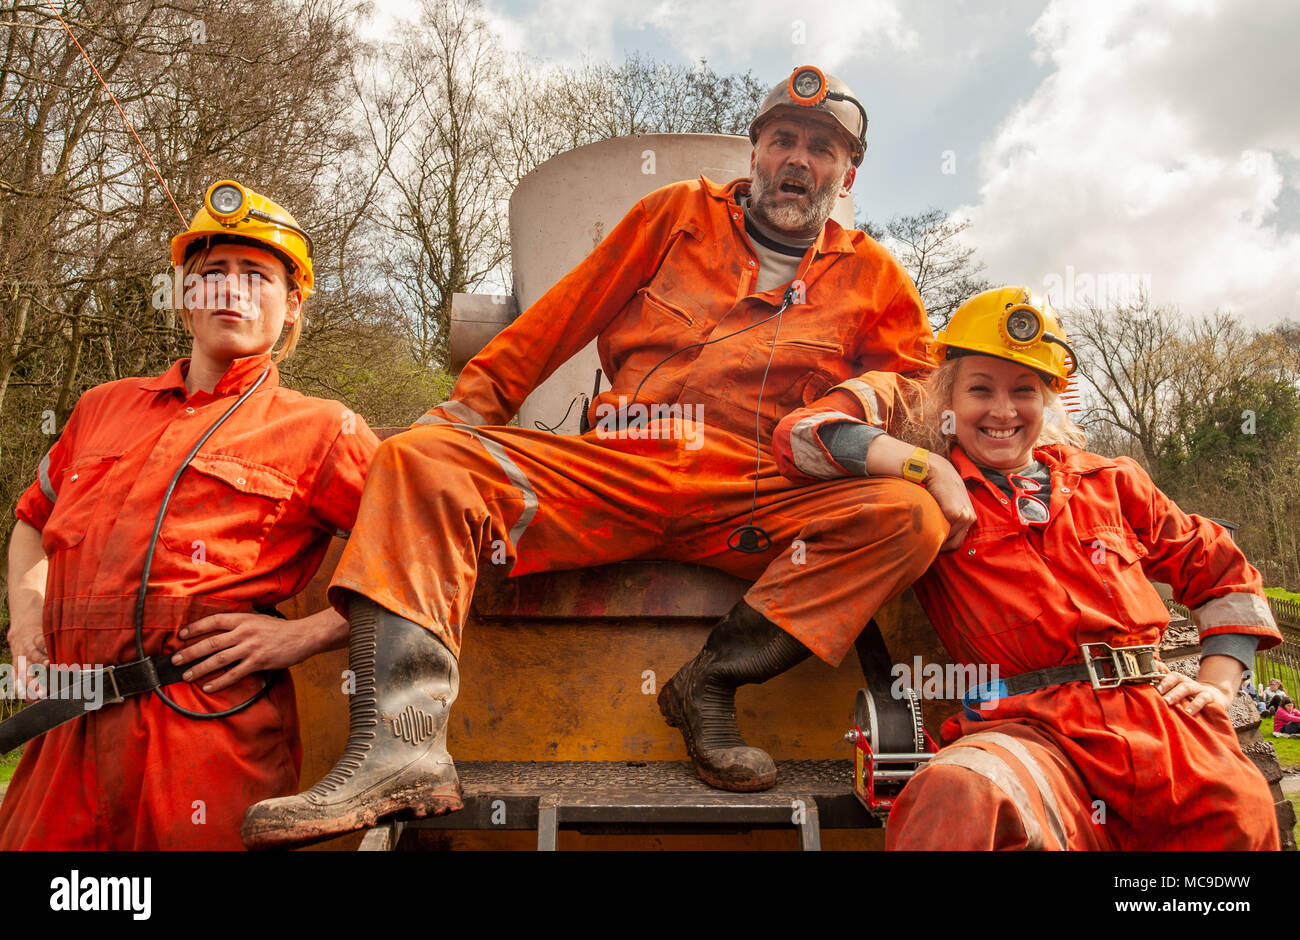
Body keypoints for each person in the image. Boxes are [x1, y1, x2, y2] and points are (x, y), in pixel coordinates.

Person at [241, 65, 970, 849]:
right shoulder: (675, 215)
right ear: (755, 153)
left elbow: (916, 397)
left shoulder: (877, 277)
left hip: (762, 495)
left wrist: (963, 457)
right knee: (419, 462)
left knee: (905, 516)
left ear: (846, 172)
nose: (799, 159)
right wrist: (453, 423)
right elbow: (556, 320)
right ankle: (400, 751)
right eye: (783, 139)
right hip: (625, 465)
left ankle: (711, 685)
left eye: (821, 149)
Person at [772, 286, 1281, 850]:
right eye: (980, 390)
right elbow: (800, 438)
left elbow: (1220, 570)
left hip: (1156, 720)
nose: (1002, 411)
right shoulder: (925, 494)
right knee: (959, 793)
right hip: (1029, 730)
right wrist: (928, 469)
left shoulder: (1112, 481)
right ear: (947, 398)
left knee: (1240, 807)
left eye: (1024, 391)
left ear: (1050, 401)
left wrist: (1220, 682)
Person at [0, 181, 379, 849]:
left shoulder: (326, 431)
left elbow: (419, 554)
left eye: (256, 275)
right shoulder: (100, 407)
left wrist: (309, 635)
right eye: (211, 274)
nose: (230, 289)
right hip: (64, 731)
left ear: (292, 306)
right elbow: (34, 520)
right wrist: (27, 610)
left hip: (202, 735)